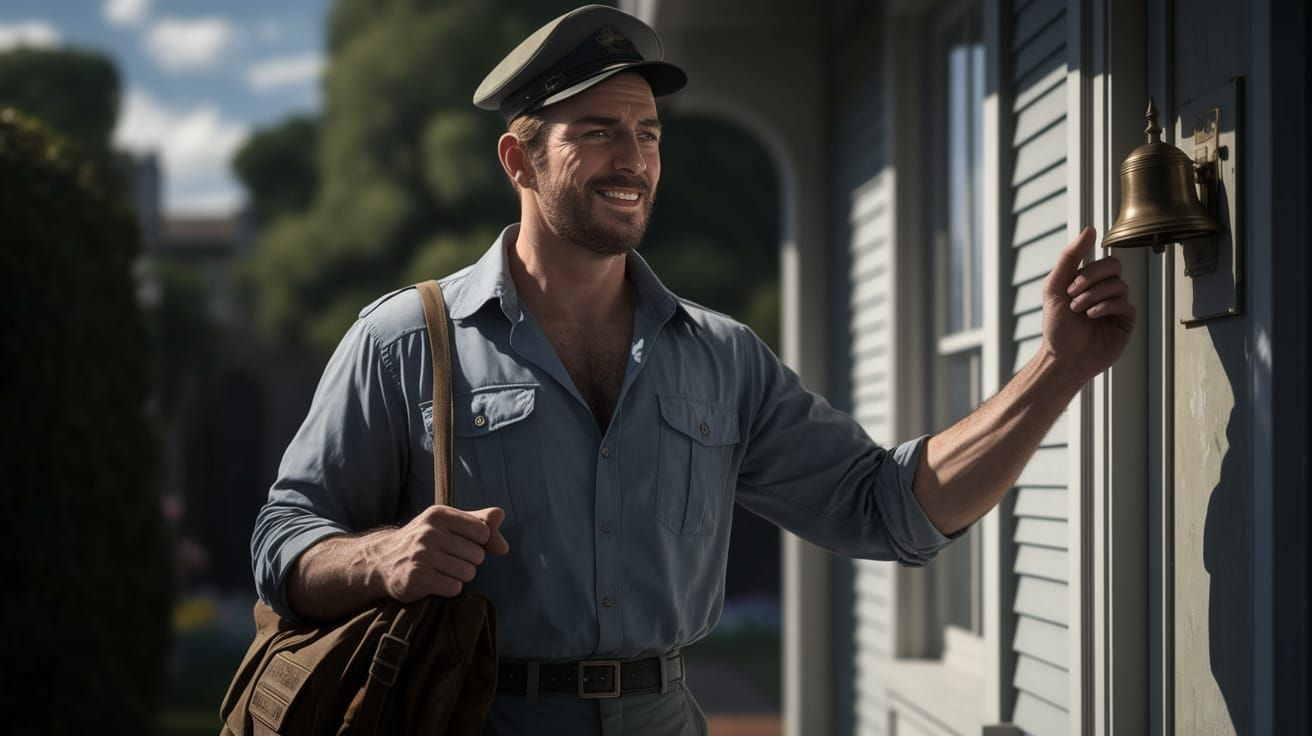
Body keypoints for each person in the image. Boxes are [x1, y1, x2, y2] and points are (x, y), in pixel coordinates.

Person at [251, 5, 1134, 734]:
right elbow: (282, 539)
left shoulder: (721, 357)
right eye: (597, 132)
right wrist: (382, 557)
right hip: (473, 717)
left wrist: (1056, 369)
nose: (633, 160)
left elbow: (889, 509)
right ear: (519, 160)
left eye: (647, 133)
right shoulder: (407, 340)